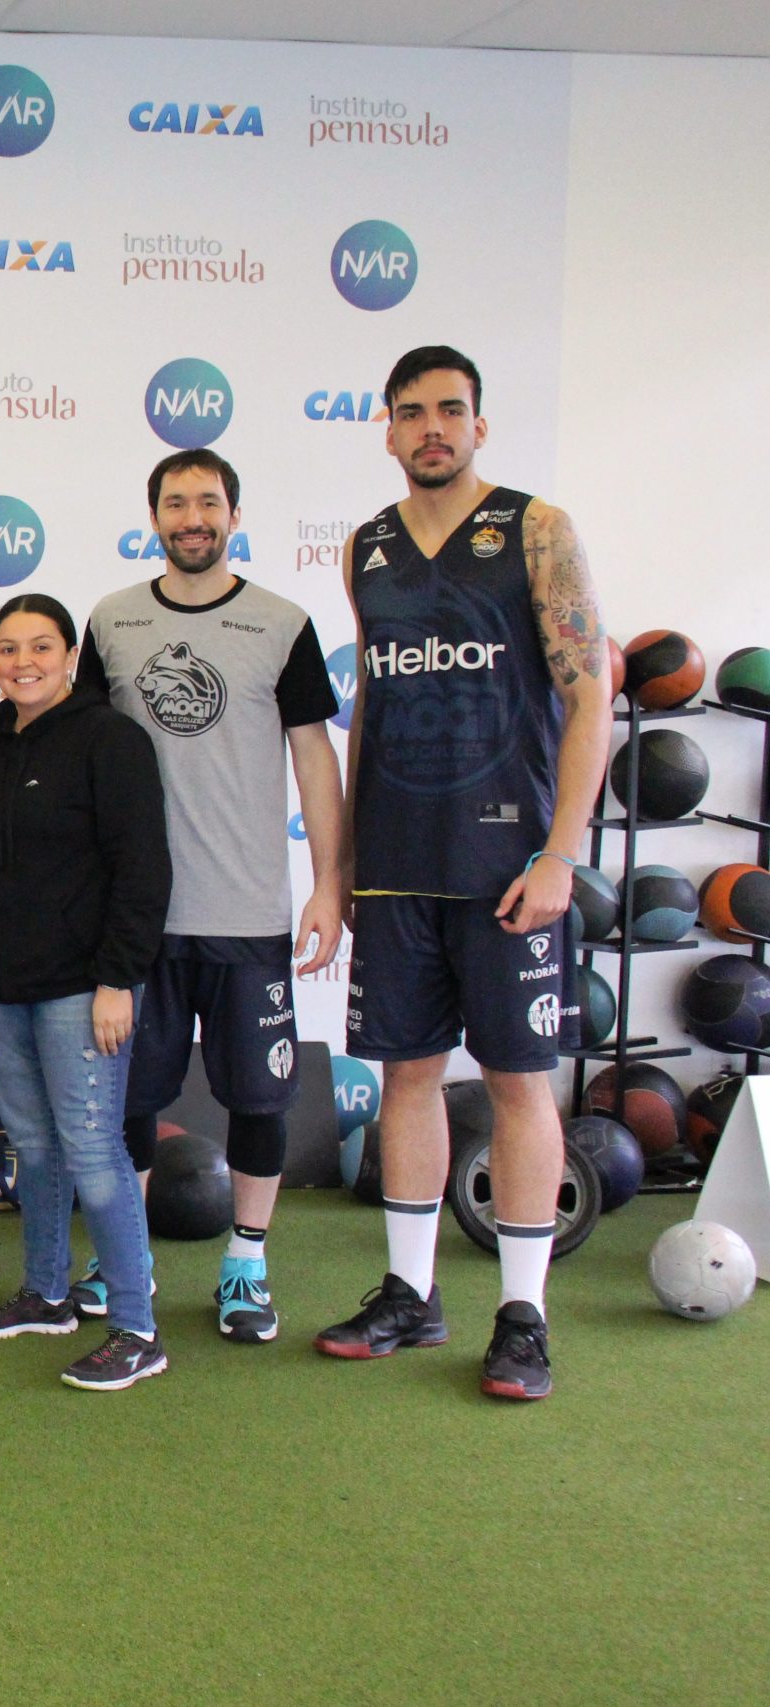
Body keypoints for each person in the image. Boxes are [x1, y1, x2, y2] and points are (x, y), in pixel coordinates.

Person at [316, 345, 610, 1402]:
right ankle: (409, 1293)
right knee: (405, 1075)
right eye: (411, 413)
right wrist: (340, 862)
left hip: (507, 869)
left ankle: (522, 1315)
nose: (431, 427)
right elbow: (369, 719)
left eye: (451, 410)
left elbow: (590, 699)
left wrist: (559, 854)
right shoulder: (366, 549)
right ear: (386, 430)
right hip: (397, 866)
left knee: (518, 1084)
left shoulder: (535, 529)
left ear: (479, 425)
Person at [76, 449, 345, 1343]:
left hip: (248, 914)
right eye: (175, 502)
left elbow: (314, 753)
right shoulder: (111, 622)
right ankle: (128, 1257)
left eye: (209, 502)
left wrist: (329, 884)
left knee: (259, 1102)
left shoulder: (282, 621)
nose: (192, 517)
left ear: (234, 513)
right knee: (130, 1101)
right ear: (152, 515)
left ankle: (246, 1266)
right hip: (138, 920)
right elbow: (82, 755)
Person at [0, 593, 174, 1391]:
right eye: (8, 648)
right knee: (37, 1147)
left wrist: (119, 978)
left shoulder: (111, 739)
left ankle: (136, 1327)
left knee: (94, 1153)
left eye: (40, 646)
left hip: (84, 990)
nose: (24, 662)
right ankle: (46, 1293)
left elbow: (143, 870)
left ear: (71, 656)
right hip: (4, 985)